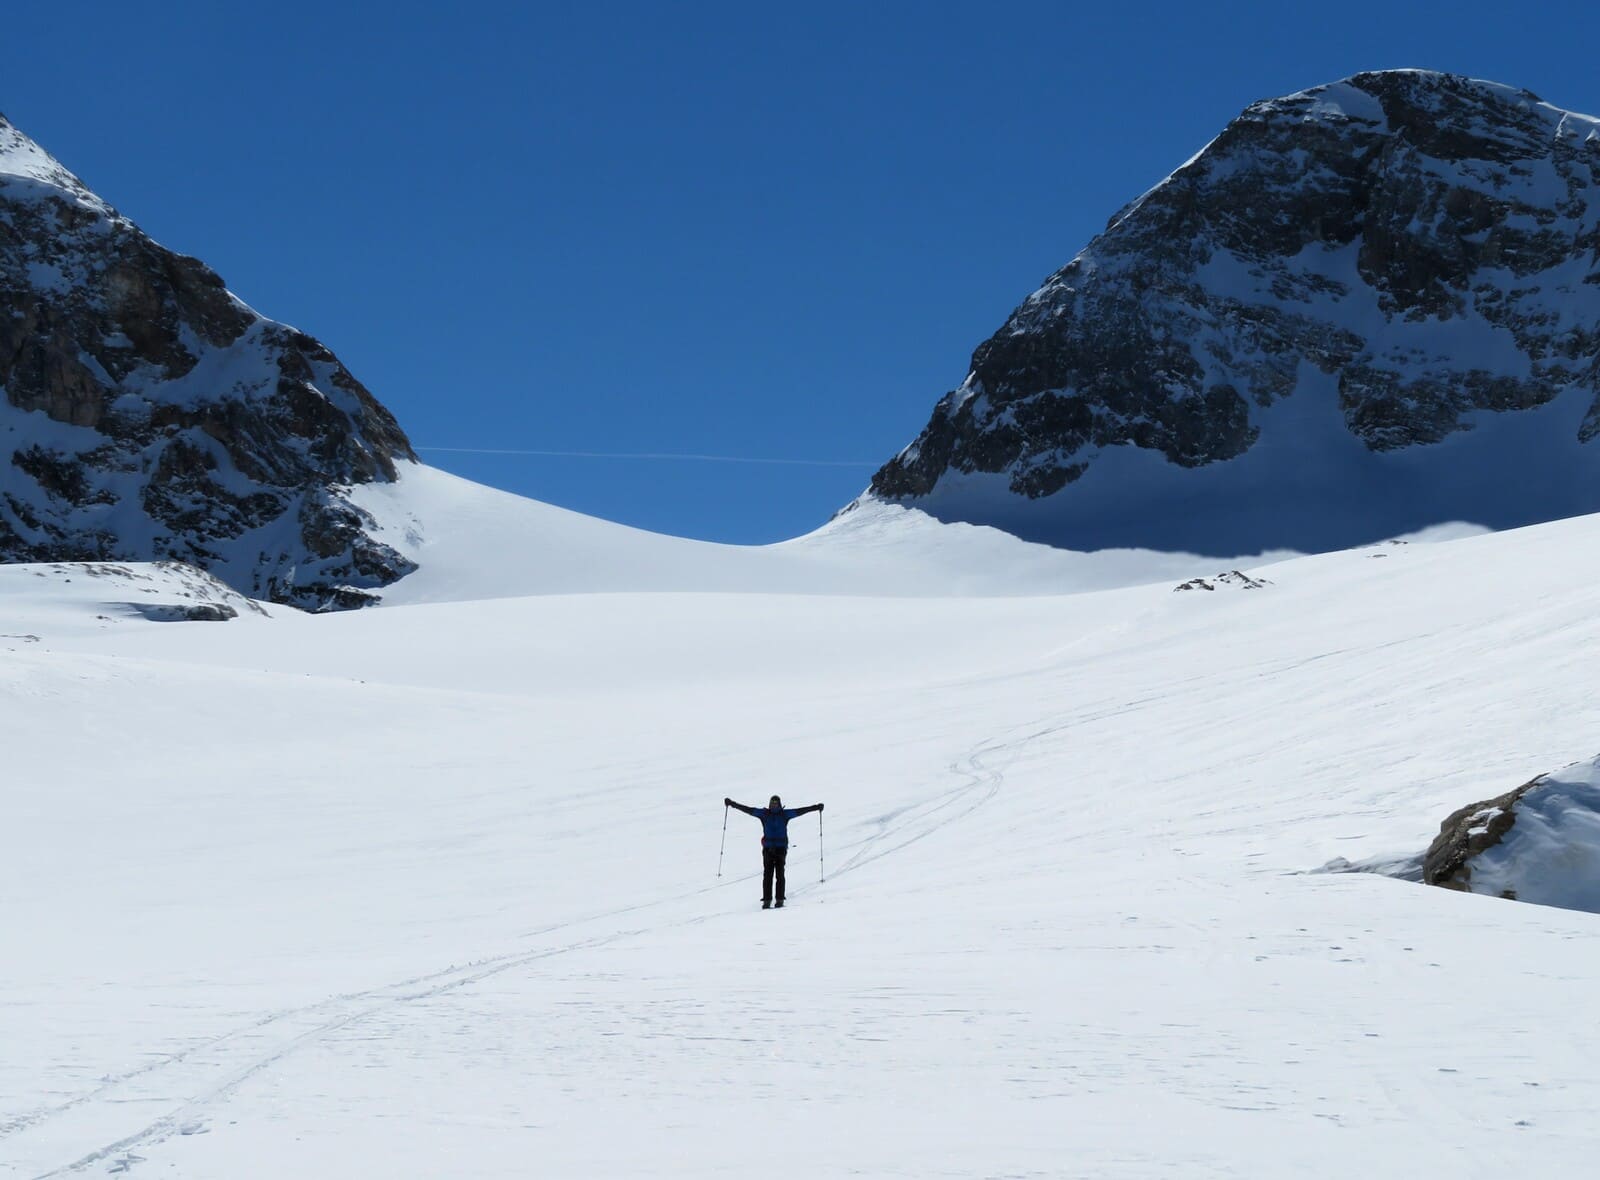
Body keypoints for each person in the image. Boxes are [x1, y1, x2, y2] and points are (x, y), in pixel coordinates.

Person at [724, 794, 823, 909]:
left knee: (778, 874)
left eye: (775, 803)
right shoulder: (767, 814)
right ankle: (768, 900)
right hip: (769, 849)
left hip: (779, 849)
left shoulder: (781, 814)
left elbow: (801, 811)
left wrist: (815, 807)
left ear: (779, 804)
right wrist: (732, 804)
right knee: (769, 875)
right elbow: (747, 809)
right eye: (772, 803)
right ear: (770, 804)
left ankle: (778, 900)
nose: (774, 805)